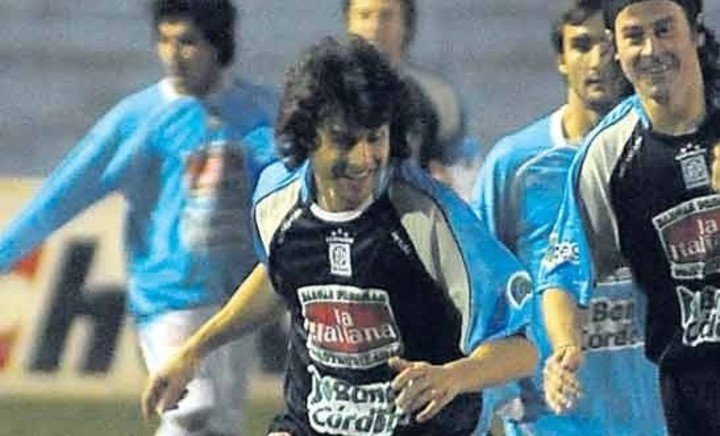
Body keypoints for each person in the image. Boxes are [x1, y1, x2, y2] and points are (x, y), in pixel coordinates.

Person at [141, 35, 538, 436]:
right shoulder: (277, 201)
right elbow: (281, 276)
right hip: (315, 422)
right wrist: (194, 350)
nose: (363, 159)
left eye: (375, 138)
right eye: (345, 141)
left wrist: (453, 376)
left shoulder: (429, 217)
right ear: (307, 136)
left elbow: (520, 349)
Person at [0, 0, 278, 434]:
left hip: (236, 301)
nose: (173, 54)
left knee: (222, 424)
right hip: (167, 299)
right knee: (192, 410)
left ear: (218, 44)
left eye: (187, 42)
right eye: (164, 40)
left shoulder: (259, 113)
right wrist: (4, 254)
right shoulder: (137, 120)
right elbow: (60, 195)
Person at [471, 1, 666, 434]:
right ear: (561, 58)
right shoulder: (516, 164)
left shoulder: (664, 151)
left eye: (607, 46)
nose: (597, 61)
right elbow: (480, 288)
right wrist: (501, 392)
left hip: (657, 416)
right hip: (553, 422)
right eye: (581, 46)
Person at [537, 0, 720, 433]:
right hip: (691, 392)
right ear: (615, 49)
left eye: (664, 30)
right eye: (634, 36)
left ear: (695, 31)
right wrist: (564, 348)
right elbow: (562, 274)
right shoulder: (608, 154)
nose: (651, 49)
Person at [343, 0, 482, 199]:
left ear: (406, 24)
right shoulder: (325, 93)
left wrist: (447, 183)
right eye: (364, 15)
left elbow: (463, 166)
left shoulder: (438, 97)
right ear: (348, 22)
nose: (375, 26)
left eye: (386, 16)